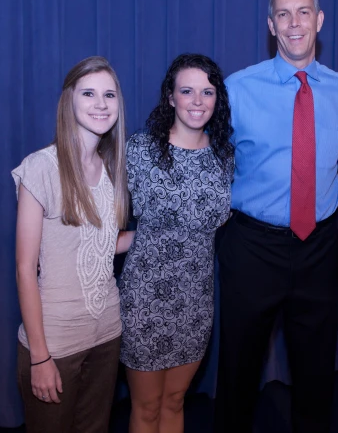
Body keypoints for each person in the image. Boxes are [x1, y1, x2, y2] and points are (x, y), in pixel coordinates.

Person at [214, 0, 338, 433]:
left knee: (317, 372)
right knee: (239, 369)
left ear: (319, 20)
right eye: (283, 14)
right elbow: (209, 159)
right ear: (270, 25)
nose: (294, 23)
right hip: (252, 246)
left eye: (303, 12)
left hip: (319, 246)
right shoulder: (237, 88)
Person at [12, 56, 130, 433]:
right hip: (56, 342)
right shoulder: (41, 167)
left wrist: (159, 235)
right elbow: (24, 269)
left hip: (108, 333)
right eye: (89, 93)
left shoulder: (112, 168)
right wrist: (40, 357)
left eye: (109, 94)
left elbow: (99, 246)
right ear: (69, 101)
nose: (101, 103)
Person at [119, 53, 234, 433]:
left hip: (195, 300)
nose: (198, 101)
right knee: (147, 406)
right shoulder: (139, 150)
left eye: (207, 91)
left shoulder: (225, 157)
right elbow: (105, 219)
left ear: (218, 99)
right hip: (144, 299)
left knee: (174, 401)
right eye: (187, 91)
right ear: (170, 97)